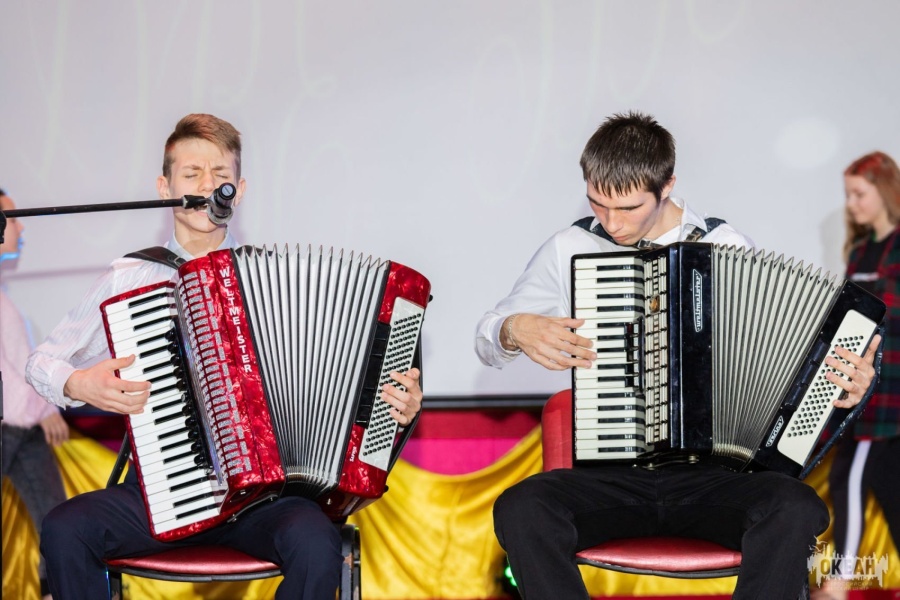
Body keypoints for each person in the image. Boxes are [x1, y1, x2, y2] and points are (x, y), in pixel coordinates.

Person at [475, 111, 881, 600]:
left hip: (716, 480)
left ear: (666, 185)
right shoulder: (570, 247)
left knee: (794, 507)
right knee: (523, 507)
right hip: (612, 479)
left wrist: (845, 387)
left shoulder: (723, 246)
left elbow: (781, 364)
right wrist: (513, 329)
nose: (612, 222)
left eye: (628, 207)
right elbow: (487, 337)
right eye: (598, 203)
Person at [25, 113, 424, 599]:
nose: (206, 185)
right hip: (161, 493)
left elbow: (348, 379)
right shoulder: (131, 277)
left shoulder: (278, 282)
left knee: (316, 544)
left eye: (220, 175)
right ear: (164, 187)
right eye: (191, 174)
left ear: (239, 189)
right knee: (66, 529)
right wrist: (78, 384)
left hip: (262, 500)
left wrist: (394, 406)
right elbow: (41, 361)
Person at [812, 151, 900, 600]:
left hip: (892, 392)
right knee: (886, 488)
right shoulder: (861, 250)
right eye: (848, 195)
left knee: (849, 476)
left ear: (885, 191)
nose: (851, 204)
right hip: (863, 389)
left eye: (859, 194)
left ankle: (839, 582)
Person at [1, 188, 69, 600]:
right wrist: (44, 408)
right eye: (12, 218)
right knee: (55, 521)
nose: (21, 227)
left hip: (20, 430)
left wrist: (43, 407)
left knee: (55, 522)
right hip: (11, 427)